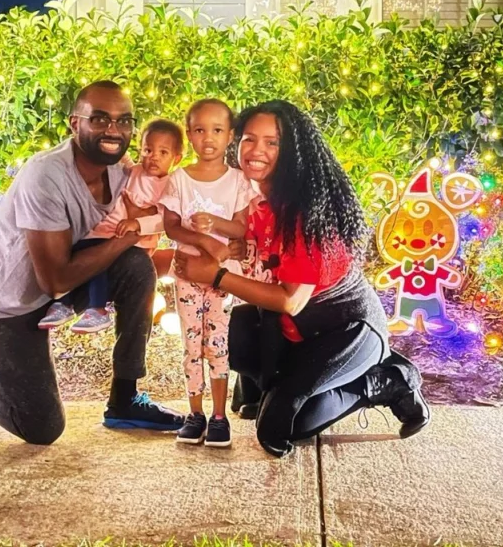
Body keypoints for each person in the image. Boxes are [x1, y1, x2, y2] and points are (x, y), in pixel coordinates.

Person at [0, 80, 185, 443]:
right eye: (100, 119)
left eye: (124, 121)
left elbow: (142, 252)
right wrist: (134, 234)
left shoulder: (122, 172)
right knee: (41, 427)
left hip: (48, 293)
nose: (114, 130)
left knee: (136, 267)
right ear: (74, 124)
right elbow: (56, 280)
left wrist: (198, 261)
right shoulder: (46, 176)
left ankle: (124, 400)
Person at [174, 100, 430, 458]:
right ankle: (270, 386)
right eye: (249, 139)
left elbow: (289, 299)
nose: (256, 151)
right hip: (297, 330)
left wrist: (214, 275)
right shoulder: (258, 198)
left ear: (293, 149)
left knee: (280, 429)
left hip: (347, 330)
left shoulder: (305, 214)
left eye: (272, 142)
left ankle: (388, 382)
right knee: (226, 333)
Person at [160, 99, 257, 448]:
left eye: (217, 130)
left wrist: (215, 225)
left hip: (221, 279)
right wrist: (202, 238)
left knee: (216, 344)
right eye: (199, 130)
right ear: (189, 135)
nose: (208, 138)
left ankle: (219, 417)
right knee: (191, 345)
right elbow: (172, 227)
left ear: (230, 135)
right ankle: (195, 413)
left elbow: (241, 229)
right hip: (187, 276)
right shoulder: (179, 180)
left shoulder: (238, 182)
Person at [39, 119, 185, 334]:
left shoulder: (170, 186)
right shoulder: (134, 171)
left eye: (163, 152)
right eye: (147, 150)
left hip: (131, 240)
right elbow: (122, 160)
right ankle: (64, 303)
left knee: (97, 260)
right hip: (107, 229)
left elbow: (164, 220)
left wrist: (136, 222)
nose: (153, 157)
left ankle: (97, 309)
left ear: (176, 158)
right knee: (71, 252)